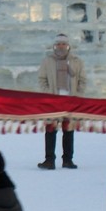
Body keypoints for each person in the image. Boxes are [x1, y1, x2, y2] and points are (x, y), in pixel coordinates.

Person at [37, 34, 87, 170]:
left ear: (68, 45)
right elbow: (42, 79)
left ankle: (68, 160)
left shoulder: (76, 61)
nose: (61, 46)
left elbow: (82, 80)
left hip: (70, 100)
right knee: (51, 130)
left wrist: (78, 94)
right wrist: (47, 93)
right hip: (53, 100)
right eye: (58, 44)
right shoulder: (48, 61)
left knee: (68, 130)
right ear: (55, 46)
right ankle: (49, 160)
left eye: (63, 44)